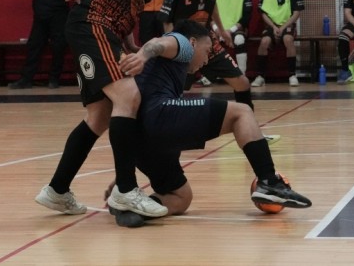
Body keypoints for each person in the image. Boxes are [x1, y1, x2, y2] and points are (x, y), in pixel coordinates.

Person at [34, 0, 205, 220]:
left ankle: (57, 191)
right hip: (92, 23)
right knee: (129, 97)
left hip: (109, 32)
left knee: (99, 117)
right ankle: (126, 189)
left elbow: (130, 5)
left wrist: (130, 43)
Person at [106, 20, 312, 227]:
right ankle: (269, 181)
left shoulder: (167, 69)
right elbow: (158, 43)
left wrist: (124, 178)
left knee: (181, 198)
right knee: (242, 112)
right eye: (207, 50)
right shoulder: (183, 44)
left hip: (142, 142)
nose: (206, 60)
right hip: (159, 116)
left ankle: (130, 208)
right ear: (194, 43)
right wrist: (142, 54)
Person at [159, 0, 255, 110]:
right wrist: (176, 48)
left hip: (207, 39)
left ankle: (249, 127)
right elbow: (166, 19)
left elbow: (212, 2)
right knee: (174, 92)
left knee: (242, 82)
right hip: (183, 42)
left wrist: (222, 29)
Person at [251, 0, 304, 87]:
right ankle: (260, 76)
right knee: (264, 42)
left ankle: (292, 75)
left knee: (288, 39)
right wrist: (274, 27)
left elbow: (296, 13)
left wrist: (283, 27)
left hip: (287, 24)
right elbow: (263, 13)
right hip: (271, 24)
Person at [216, 0, 253, 75]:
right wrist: (218, 30)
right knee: (205, 40)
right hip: (218, 29)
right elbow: (209, 13)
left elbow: (246, 17)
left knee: (239, 39)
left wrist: (229, 31)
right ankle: (207, 76)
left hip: (237, 29)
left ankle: (241, 74)